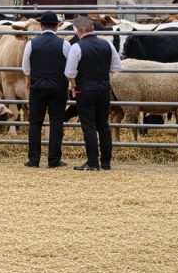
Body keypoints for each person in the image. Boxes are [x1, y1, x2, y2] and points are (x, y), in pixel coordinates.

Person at [65, 15, 122, 171]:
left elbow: (69, 72)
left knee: (89, 126)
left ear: (81, 29)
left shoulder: (77, 47)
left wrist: (74, 85)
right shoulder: (107, 45)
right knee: (103, 125)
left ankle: (92, 161)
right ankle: (106, 162)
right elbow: (117, 68)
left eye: (76, 28)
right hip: (104, 89)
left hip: (84, 90)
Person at [21, 11, 71, 168]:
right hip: (58, 88)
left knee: (35, 123)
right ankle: (54, 160)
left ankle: (34, 160)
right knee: (56, 123)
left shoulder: (31, 44)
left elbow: (26, 69)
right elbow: (70, 69)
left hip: (38, 88)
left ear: (41, 26)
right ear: (57, 26)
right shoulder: (65, 44)